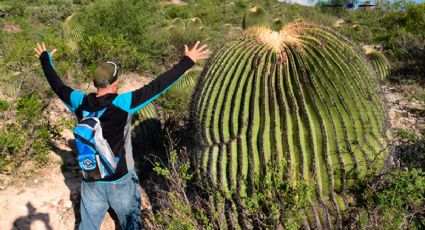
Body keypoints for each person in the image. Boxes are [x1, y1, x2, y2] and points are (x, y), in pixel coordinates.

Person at [34, 41, 210, 229]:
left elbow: (57, 85)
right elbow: (158, 85)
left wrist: (45, 59)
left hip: (91, 179)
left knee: (88, 226)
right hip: (121, 181)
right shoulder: (124, 103)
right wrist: (188, 61)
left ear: (94, 84)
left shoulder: (78, 101)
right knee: (131, 225)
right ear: (116, 84)